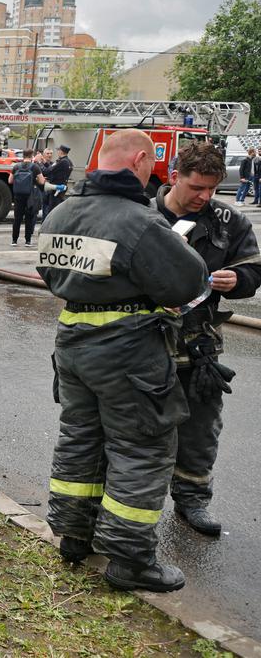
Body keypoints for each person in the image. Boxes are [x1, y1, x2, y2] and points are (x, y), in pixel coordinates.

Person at [37, 129, 207, 592]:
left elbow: (50, 274)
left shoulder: (60, 213)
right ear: (138, 161)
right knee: (142, 447)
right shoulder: (140, 222)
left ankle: (75, 536)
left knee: (81, 439)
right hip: (129, 351)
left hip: (72, 342)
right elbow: (187, 283)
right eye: (152, 163)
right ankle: (130, 560)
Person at [154, 142, 261, 536]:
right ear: (174, 177)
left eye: (212, 189)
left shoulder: (227, 220)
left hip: (200, 348)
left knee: (200, 431)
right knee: (138, 430)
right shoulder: (145, 216)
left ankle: (192, 501)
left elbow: (252, 266)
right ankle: (130, 507)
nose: (204, 197)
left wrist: (239, 280)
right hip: (145, 344)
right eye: (196, 187)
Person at [10, 153, 45, 246]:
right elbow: (42, 181)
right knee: (29, 218)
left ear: (23, 156)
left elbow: (10, 180)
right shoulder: (35, 167)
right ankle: (28, 241)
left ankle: (14, 240)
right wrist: (35, 180)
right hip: (30, 196)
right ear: (31, 156)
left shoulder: (16, 166)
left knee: (17, 219)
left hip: (18, 196)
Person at [42, 145, 73, 219]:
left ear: (61, 152)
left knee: (52, 210)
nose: (57, 152)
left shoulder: (61, 161)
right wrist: (46, 163)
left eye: (58, 150)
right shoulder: (69, 161)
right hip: (62, 187)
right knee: (57, 207)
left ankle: (49, 228)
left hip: (56, 188)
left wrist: (40, 163)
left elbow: (47, 171)